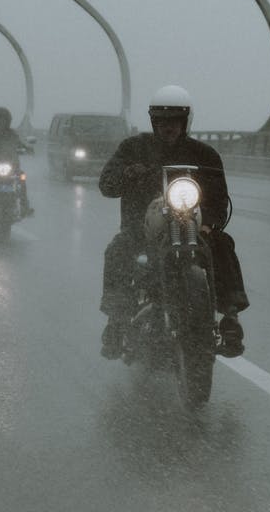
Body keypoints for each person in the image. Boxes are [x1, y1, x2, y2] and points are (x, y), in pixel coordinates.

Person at [97, 85, 249, 359]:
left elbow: (218, 199)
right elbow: (106, 185)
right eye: (162, 121)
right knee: (118, 250)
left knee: (223, 244)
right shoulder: (133, 148)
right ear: (154, 122)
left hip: (192, 228)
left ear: (185, 121)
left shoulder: (205, 155)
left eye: (175, 121)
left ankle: (230, 318)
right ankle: (116, 322)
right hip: (140, 230)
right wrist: (129, 172)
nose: (169, 127)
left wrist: (208, 224)